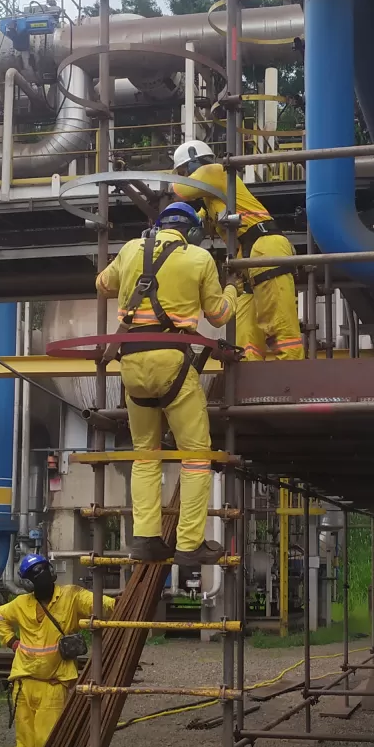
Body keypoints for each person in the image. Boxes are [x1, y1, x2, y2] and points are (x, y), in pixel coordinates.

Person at [96, 200, 238, 566]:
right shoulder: (198, 258)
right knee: (196, 455)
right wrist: (233, 291)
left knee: (145, 453)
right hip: (171, 361)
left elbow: (102, 284)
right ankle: (189, 544)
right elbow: (219, 316)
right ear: (192, 232)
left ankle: (145, 539)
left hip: (132, 365)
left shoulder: (131, 249)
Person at [172, 139, 304, 362]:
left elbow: (180, 189)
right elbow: (193, 224)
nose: (185, 176)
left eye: (184, 171)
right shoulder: (211, 200)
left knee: (279, 321)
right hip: (248, 256)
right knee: (246, 330)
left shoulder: (214, 171)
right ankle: (250, 373)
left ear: (196, 162)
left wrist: (173, 185)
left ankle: (293, 373)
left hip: (265, 246)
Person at [0, 553, 115, 747]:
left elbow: (102, 605)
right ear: (27, 582)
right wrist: (11, 641)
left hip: (53, 684)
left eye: (43, 569)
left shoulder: (71, 596)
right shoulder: (21, 604)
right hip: (23, 683)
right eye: (35, 573)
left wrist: (123, 602)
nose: (41, 575)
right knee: (26, 742)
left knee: (47, 740)